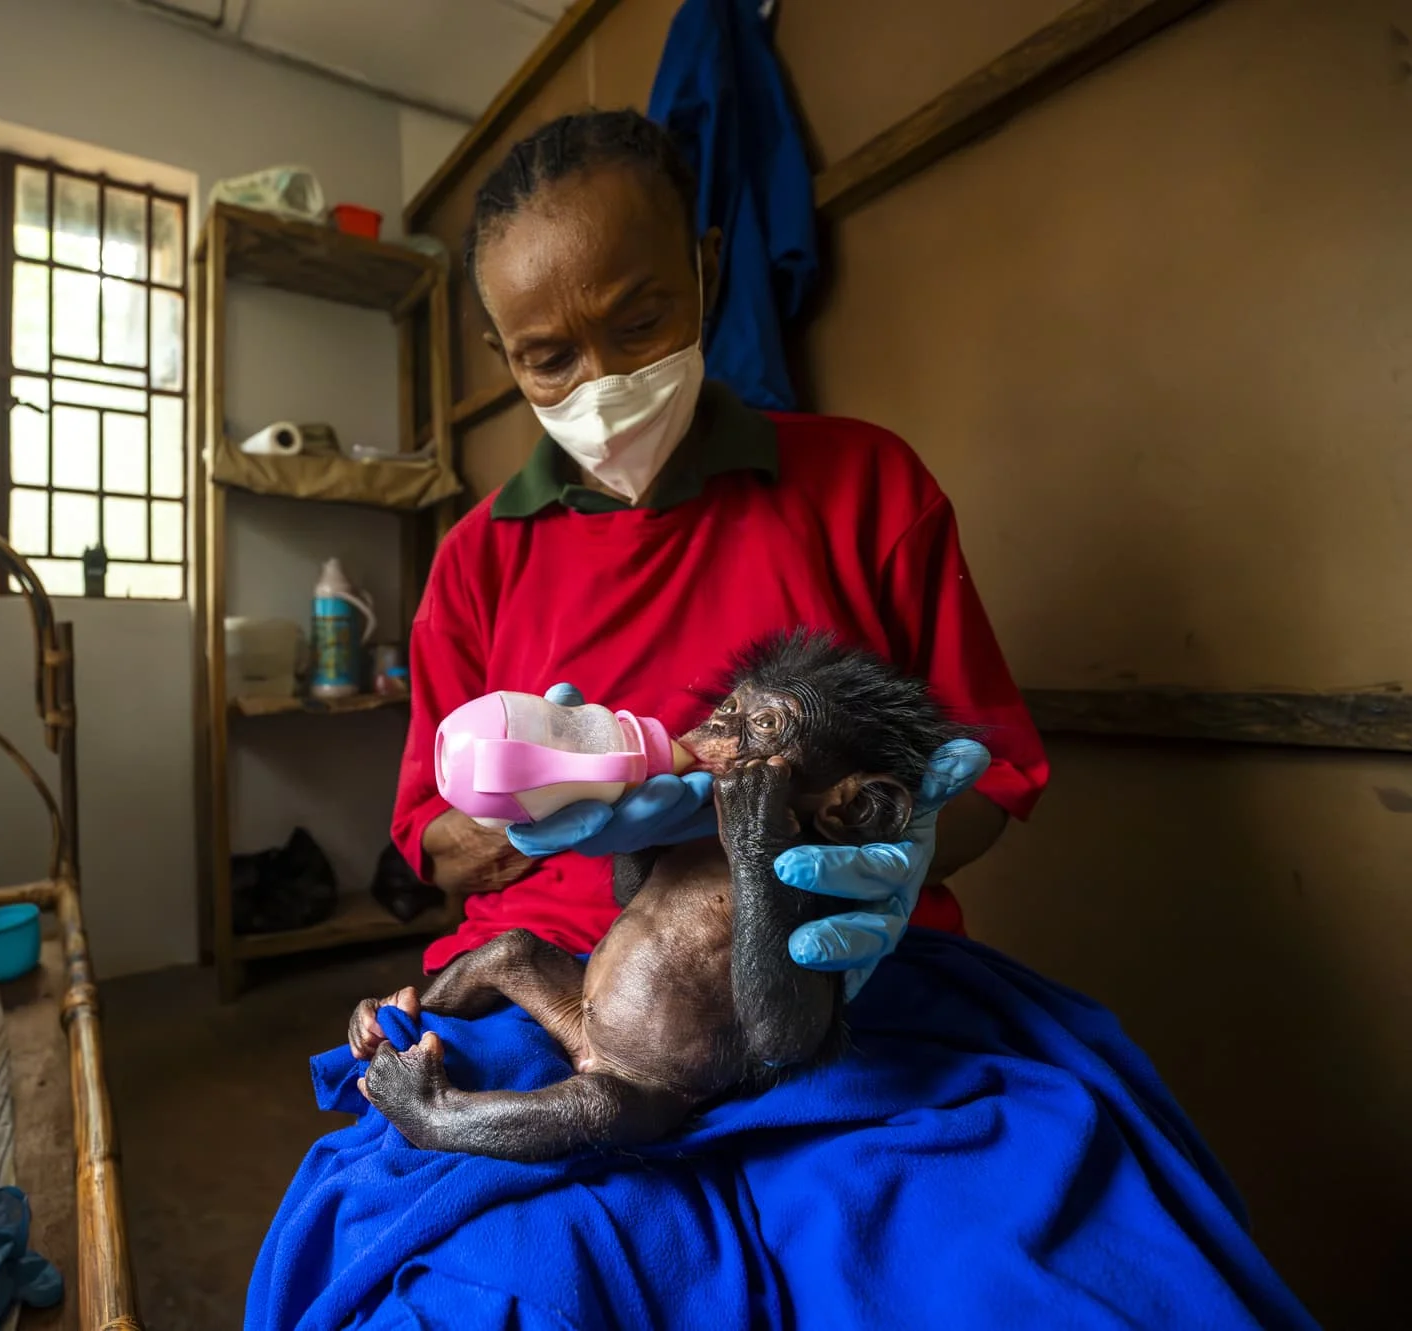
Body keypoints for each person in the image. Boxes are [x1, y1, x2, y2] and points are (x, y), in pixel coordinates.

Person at [391, 110, 1050, 995]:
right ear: (503, 356)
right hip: (558, 965)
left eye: (641, 322)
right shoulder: (476, 562)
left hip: (841, 954)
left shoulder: (871, 485)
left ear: (706, 268)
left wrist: (902, 837)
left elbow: (991, 776)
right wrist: (533, 798)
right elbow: (432, 847)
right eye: (548, 358)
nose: (604, 385)